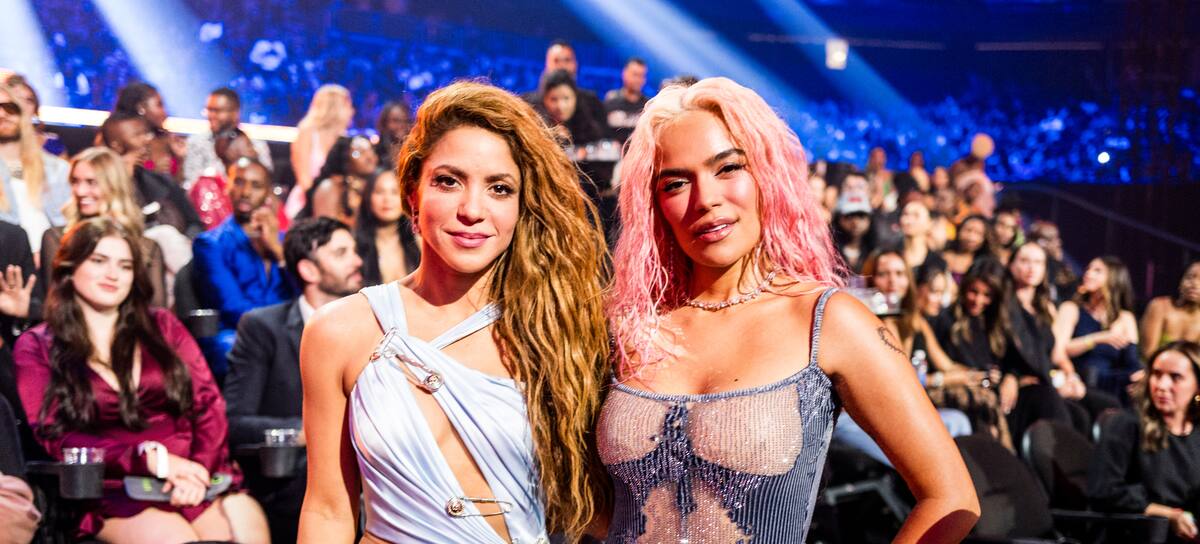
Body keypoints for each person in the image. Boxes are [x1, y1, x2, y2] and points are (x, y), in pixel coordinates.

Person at [601, 77, 978, 542]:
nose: (705, 199)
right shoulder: (629, 325)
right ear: (654, 204)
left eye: (728, 168)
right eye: (676, 183)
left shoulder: (828, 321)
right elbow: (590, 504)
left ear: (767, 174)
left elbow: (951, 498)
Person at [298, 82, 610, 543]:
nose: (472, 210)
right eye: (448, 181)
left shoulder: (555, 331)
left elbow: (602, 512)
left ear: (521, 207)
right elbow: (327, 509)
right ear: (412, 193)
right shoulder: (339, 331)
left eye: (499, 189)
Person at [13, 218, 269, 543]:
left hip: (197, 474)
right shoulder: (37, 346)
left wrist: (197, 470)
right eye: (99, 261)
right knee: (176, 538)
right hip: (114, 484)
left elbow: (208, 404)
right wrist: (149, 459)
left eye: (125, 266)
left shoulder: (162, 326)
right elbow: (56, 435)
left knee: (244, 528)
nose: (113, 275)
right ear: (69, 268)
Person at [225, 217, 362, 544]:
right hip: (294, 477)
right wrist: (304, 431)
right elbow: (234, 422)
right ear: (309, 270)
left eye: (354, 251)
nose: (357, 261)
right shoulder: (263, 328)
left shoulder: (375, 323)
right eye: (341, 253)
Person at [1088, 342, 1200, 543]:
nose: (1162, 385)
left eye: (1175, 377)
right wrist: (1167, 515)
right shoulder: (1124, 424)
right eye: (1156, 374)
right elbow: (1104, 491)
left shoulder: (1197, 432)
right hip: (1135, 533)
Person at [193, 158, 294, 379]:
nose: (246, 192)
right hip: (238, 333)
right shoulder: (210, 244)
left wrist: (278, 251)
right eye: (239, 182)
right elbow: (232, 307)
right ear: (227, 187)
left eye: (256, 185)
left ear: (268, 193)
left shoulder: (285, 242)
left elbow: (305, 292)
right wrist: (280, 335)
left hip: (288, 331)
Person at [39, 147, 169, 309]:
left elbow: (157, 313)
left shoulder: (147, 248)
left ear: (114, 185)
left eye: (91, 182)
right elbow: (54, 305)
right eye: (75, 181)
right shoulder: (58, 239)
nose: (80, 191)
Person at [100, 112, 204, 238]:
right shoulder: (99, 184)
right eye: (137, 135)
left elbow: (194, 223)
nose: (147, 139)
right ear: (116, 146)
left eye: (146, 133)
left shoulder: (162, 181)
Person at [1053, 256, 1141, 402]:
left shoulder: (1125, 318)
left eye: (1097, 271)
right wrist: (1098, 339)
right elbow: (1058, 351)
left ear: (1113, 278)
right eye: (1088, 269)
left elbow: (1132, 362)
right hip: (1079, 381)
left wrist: (1140, 377)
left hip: (1113, 385)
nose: (1088, 273)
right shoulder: (1071, 309)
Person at [0, 82, 71, 257]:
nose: (2, 114)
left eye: (9, 108)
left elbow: (69, 222)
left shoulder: (57, 168)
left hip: (54, 257)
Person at [182, 88, 274, 191]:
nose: (211, 115)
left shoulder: (254, 144)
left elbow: (266, 183)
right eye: (209, 110)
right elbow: (190, 181)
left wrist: (249, 159)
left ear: (235, 113)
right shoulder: (197, 142)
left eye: (217, 111)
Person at [288, 84, 353, 217]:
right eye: (349, 106)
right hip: (306, 202)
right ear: (336, 108)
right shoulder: (307, 132)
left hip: (336, 205)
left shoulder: (344, 139)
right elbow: (303, 177)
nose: (352, 111)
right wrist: (318, 201)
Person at [354, 170, 419, 286]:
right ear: (368, 197)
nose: (387, 199)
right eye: (379, 192)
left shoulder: (419, 243)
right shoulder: (354, 247)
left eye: (394, 192)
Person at [113, 82, 184, 181]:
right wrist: (153, 174)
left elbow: (179, 184)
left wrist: (181, 159)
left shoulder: (169, 141)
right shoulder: (121, 139)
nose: (165, 113)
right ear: (141, 108)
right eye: (159, 105)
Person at [307, 135, 378, 228]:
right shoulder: (331, 187)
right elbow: (325, 231)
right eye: (358, 153)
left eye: (371, 151)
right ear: (345, 158)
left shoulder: (376, 187)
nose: (369, 157)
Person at [1141, 261, 1200, 357]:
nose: (1194, 284)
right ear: (1180, 282)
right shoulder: (1160, 306)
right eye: (1190, 277)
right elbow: (1149, 352)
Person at [539, 69, 605, 149]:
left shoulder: (590, 127)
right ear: (544, 100)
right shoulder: (538, 128)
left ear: (575, 97)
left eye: (566, 98)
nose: (560, 106)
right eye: (554, 99)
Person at [830, 187, 879, 275]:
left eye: (861, 216)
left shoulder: (876, 252)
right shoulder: (829, 251)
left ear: (870, 220)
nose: (855, 222)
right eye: (849, 216)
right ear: (838, 219)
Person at [603, 57, 649, 144]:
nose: (638, 80)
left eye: (642, 76)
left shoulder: (648, 106)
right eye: (635, 75)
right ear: (624, 74)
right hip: (613, 150)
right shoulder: (610, 101)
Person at [898, 199, 947, 273]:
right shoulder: (891, 255)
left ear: (929, 223)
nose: (908, 220)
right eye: (905, 214)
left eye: (916, 215)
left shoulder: (936, 262)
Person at [943, 214, 990, 285]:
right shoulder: (943, 254)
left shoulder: (983, 266)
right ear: (959, 230)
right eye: (968, 230)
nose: (971, 237)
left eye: (978, 233)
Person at [373, 100, 411, 170]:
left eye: (404, 120)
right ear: (384, 123)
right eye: (396, 120)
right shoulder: (378, 151)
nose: (401, 125)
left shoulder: (414, 149)